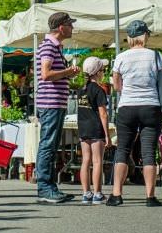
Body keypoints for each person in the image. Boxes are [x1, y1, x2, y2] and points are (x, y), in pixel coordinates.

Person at [107, 20, 162, 207]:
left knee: (123, 150)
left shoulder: (121, 57)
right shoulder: (156, 56)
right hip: (151, 106)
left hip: (127, 107)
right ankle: (150, 196)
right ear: (145, 35)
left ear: (130, 37)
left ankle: (116, 194)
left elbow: (116, 86)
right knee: (149, 152)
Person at [36, 12, 80, 204]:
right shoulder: (49, 47)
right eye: (70, 25)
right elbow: (46, 74)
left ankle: (50, 187)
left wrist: (66, 75)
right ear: (61, 27)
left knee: (51, 146)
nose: (72, 28)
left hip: (54, 103)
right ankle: (45, 188)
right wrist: (68, 71)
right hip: (50, 103)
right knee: (48, 145)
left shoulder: (54, 47)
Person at [78, 56, 111, 205]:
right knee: (97, 161)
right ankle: (97, 194)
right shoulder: (99, 90)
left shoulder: (81, 90)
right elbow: (103, 114)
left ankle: (86, 193)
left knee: (85, 161)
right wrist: (107, 134)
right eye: (103, 70)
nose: (104, 73)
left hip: (83, 128)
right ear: (97, 73)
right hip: (96, 128)